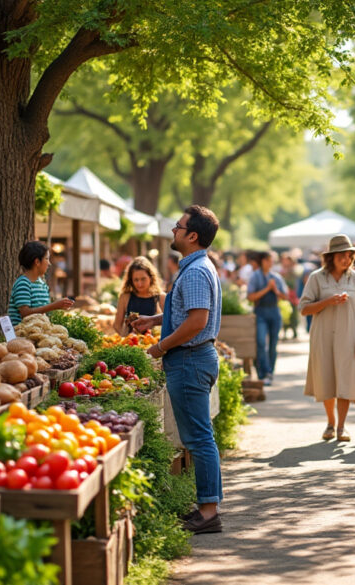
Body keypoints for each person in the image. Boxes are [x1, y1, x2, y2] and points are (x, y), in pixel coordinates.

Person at [133, 205, 224, 534]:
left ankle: (209, 511)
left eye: (179, 227)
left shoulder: (197, 270)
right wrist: (155, 320)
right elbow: (189, 312)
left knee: (200, 439)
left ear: (193, 235)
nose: (173, 230)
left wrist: (161, 346)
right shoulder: (196, 267)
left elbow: (198, 320)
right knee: (199, 438)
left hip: (189, 358)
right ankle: (207, 506)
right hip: (192, 357)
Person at [299, 234, 355, 442]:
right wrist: (328, 301)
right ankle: (330, 422)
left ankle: (342, 427)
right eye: (341, 255)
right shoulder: (316, 278)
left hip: (350, 336)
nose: (346, 259)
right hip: (323, 337)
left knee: (346, 381)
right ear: (331, 257)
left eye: (349, 255)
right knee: (326, 379)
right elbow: (304, 309)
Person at [8, 241, 75, 326]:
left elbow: (42, 310)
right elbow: (25, 313)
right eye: (47, 259)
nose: (49, 264)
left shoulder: (42, 284)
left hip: (39, 331)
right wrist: (54, 306)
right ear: (37, 262)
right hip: (22, 335)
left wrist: (59, 305)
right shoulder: (23, 284)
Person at [247, 251, 289, 385]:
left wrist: (275, 290)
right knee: (260, 342)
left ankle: (270, 372)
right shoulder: (255, 276)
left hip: (274, 311)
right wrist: (267, 289)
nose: (270, 263)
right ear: (263, 261)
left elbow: (285, 296)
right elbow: (250, 296)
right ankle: (262, 372)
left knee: (273, 344)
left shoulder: (276, 277)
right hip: (260, 311)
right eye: (268, 260)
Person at [112, 256, 166, 335]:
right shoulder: (125, 297)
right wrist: (126, 338)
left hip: (154, 344)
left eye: (143, 279)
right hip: (131, 345)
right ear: (131, 280)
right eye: (136, 280)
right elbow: (117, 325)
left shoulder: (161, 297)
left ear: (151, 278)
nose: (139, 284)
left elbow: (170, 322)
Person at [279, 252, 302, 339]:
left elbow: (294, 283)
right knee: (285, 314)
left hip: (292, 295)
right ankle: (285, 332)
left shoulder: (294, 270)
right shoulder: (282, 271)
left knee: (293, 315)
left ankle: (294, 331)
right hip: (285, 296)